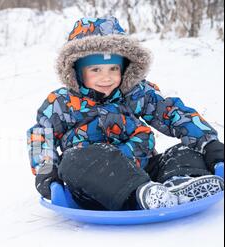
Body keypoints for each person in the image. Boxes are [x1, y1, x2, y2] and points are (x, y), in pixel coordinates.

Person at [27, 17, 224, 210]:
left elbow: (172, 112)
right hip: (94, 184)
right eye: (96, 69)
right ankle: (139, 196)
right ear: (77, 71)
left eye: (113, 68)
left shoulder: (136, 93)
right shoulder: (61, 102)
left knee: (185, 151)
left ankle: (180, 184)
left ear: (125, 68)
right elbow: (42, 135)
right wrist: (46, 170)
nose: (106, 77)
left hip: (144, 171)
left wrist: (209, 142)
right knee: (73, 160)